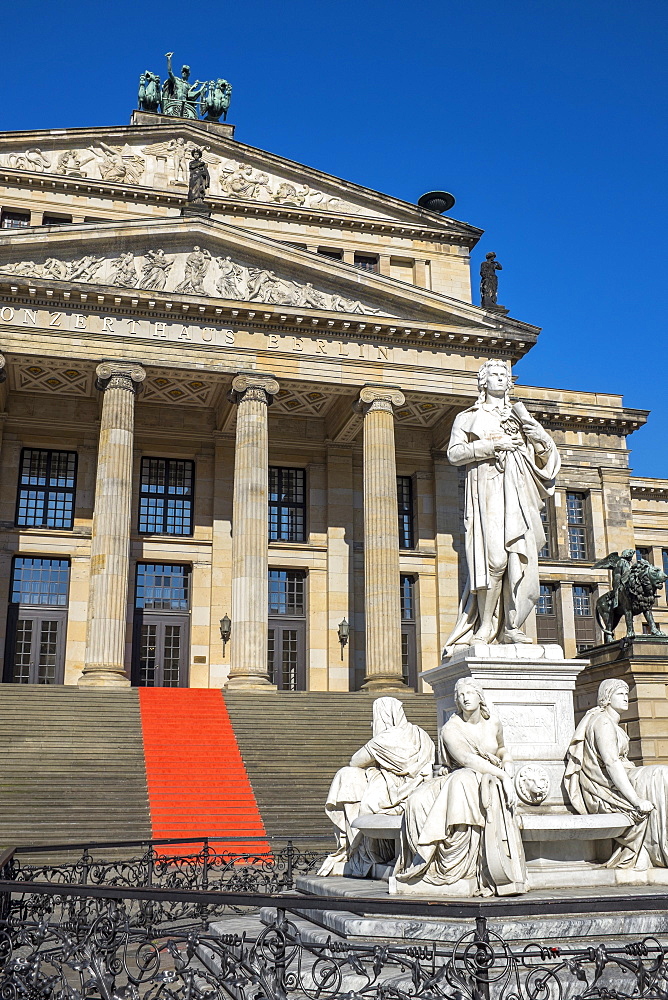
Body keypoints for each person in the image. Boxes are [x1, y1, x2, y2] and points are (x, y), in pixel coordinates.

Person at [445, 360, 560, 649]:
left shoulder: (520, 416)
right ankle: (485, 626)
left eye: (504, 376)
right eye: (494, 375)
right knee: (494, 560)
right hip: (488, 490)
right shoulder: (467, 417)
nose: (500, 380)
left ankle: (511, 626)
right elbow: (455, 454)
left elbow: (546, 454)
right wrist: (492, 446)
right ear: (483, 382)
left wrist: (530, 427)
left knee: (516, 560)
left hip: (519, 491)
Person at [394, 678, 527, 896]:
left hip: (485, 776)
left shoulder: (493, 722)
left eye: (470, 693)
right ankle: (450, 864)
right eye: (461, 695)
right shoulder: (451, 729)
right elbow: (467, 759)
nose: (465, 698)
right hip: (464, 774)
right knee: (444, 788)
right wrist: (502, 776)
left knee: (463, 782)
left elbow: (501, 748)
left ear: (479, 696)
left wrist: (508, 761)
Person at [318, 697, 434, 877]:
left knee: (347, 775)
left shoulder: (384, 739)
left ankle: (359, 850)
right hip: (421, 789)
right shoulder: (421, 734)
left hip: (392, 792)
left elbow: (355, 760)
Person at [565, 678, 668, 870]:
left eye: (627, 693)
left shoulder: (613, 724)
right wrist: (636, 800)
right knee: (660, 775)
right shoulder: (603, 722)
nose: (626, 698)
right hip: (604, 787)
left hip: (621, 776)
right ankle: (654, 849)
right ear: (607, 698)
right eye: (620, 694)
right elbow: (611, 763)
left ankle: (653, 847)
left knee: (662, 776)